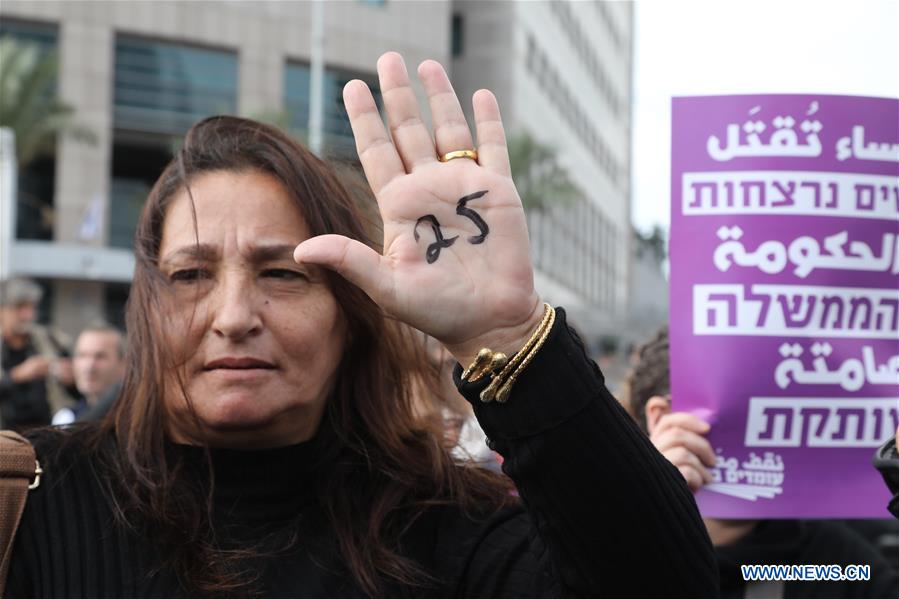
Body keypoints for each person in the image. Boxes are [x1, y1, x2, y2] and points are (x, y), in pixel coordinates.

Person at [7, 53, 717, 598]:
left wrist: (505, 336)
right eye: (190, 275)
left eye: (282, 273)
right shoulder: (23, 501)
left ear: (353, 312)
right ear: (147, 304)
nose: (232, 317)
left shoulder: (447, 527)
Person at [625, 327, 899, 598]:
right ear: (661, 418)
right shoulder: (608, 550)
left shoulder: (836, 565)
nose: (764, 425)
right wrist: (650, 507)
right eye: (742, 403)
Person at [0, 277, 77, 431]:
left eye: (32, 307)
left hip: (47, 435)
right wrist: (16, 376)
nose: (28, 315)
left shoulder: (53, 340)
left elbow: (79, 393)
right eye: (20, 307)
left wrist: (71, 379)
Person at [51, 324, 126, 425]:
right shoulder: (65, 419)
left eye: (100, 356)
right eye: (82, 355)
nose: (89, 366)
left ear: (124, 365)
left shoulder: (138, 418)